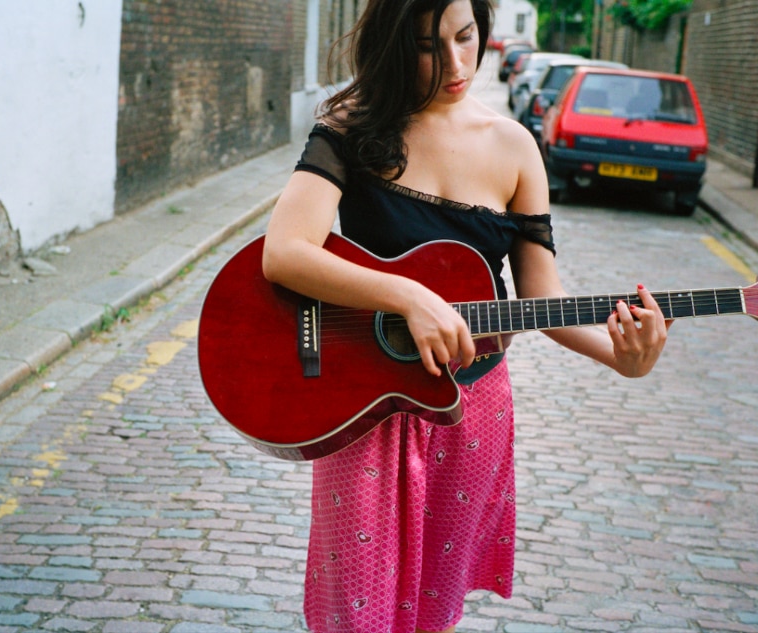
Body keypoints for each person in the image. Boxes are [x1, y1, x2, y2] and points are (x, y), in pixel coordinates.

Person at [261, 1, 670, 631]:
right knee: (355, 612)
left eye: (466, 37)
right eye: (428, 46)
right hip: (369, 408)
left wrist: (622, 358)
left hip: (472, 408)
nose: (455, 64)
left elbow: (542, 301)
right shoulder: (354, 125)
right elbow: (284, 253)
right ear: (395, 45)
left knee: (433, 610)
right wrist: (407, 296)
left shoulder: (514, 148)